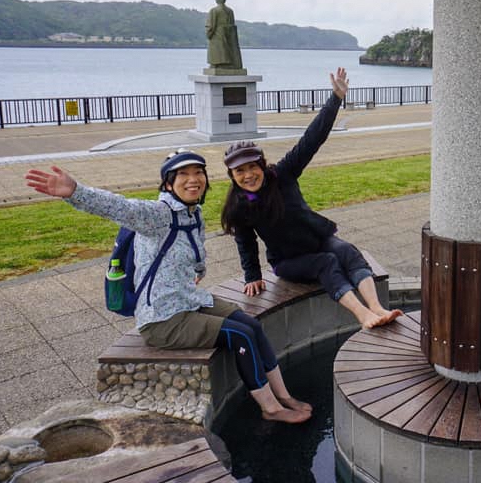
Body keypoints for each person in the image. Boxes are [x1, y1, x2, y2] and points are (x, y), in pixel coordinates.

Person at [25, 150, 311, 424]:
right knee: (240, 336)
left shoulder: (193, 214)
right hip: (163, 319)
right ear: (168, 183)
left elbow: (197, 256)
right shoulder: (157, 215)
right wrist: (75, 191)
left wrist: (196, 272)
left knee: (252, 326)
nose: (193, 179)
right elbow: (119, 207)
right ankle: (270, 408)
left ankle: (284, 395)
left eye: (198, 172)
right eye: (183, 174)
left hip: (189, 300)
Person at [220, 67, 402, 329]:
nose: (248, 175)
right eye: (240, 171)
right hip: (287, 262)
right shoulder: (239, 206)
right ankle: (364, 317)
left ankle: (376, 307)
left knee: (347, 251)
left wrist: (336, 98)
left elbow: (312, 138)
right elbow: (245, 241)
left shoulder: (283, 174)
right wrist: (252, 275)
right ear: (232, 176)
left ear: (262, 165)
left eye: (252, 167)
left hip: (317, 241)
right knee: (327, 262)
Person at [205, 0, 243, 70]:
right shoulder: (230, 11)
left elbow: (211, 25)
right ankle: (227, 63)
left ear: (217, 0)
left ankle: (217, 64)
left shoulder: (214, 11)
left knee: (218, 51)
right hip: (228, 34)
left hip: (217, 34)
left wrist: (208, 33)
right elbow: (232, 25)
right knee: (225, 50)